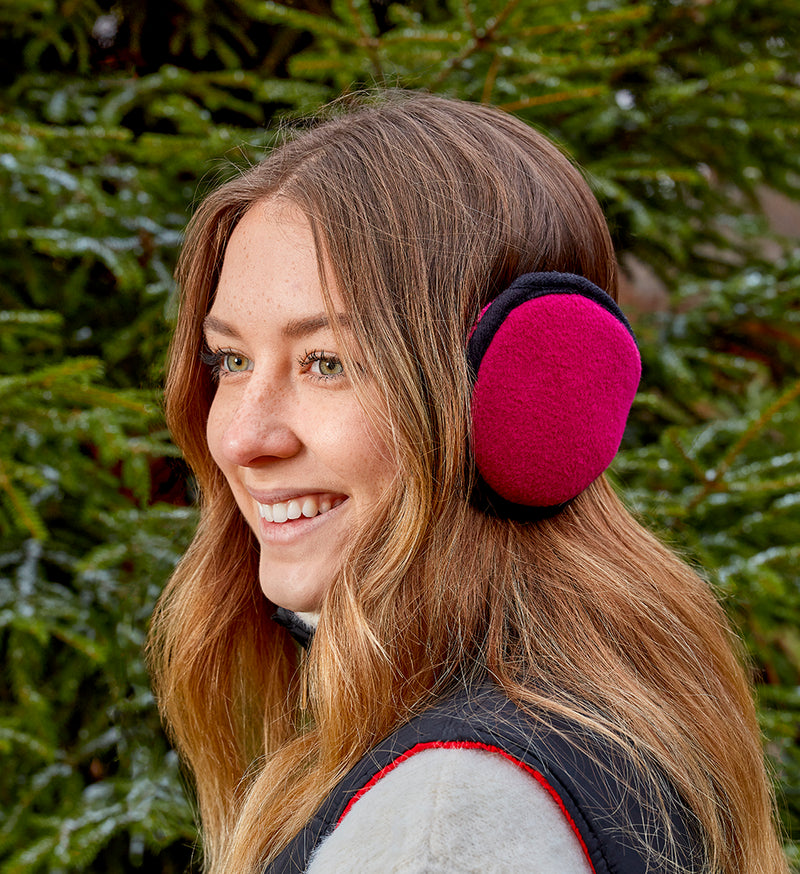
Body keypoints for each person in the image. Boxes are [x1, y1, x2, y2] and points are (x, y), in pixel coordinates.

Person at [148, 92, 788, 874]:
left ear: (528, 394)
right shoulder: (601, 722)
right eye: (232, 361)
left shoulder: (448, 817)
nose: (243, 437)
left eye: (328, 363)